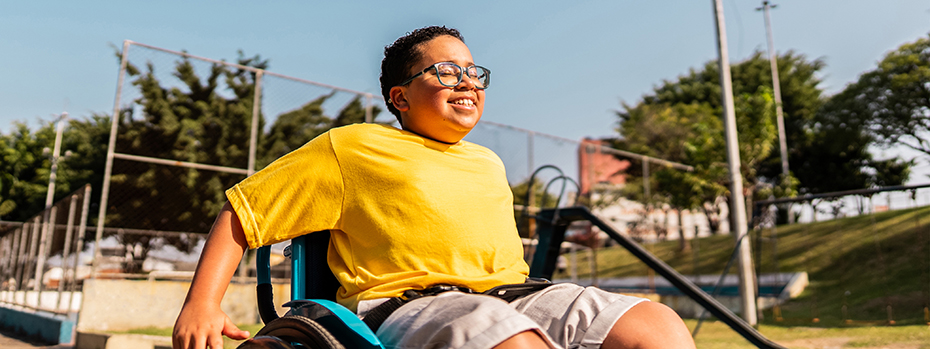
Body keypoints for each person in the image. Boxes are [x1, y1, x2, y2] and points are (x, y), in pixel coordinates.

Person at [172, 26, 695, 349]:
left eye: (474, 72)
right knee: (508, 336)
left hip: (520, 295)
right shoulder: (352, 147)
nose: (467, 81)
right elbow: (244, 212)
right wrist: (201, 303)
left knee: (655, 324)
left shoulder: (487, 162)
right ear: (400, 97)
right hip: (407, 304)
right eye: (445, 71)